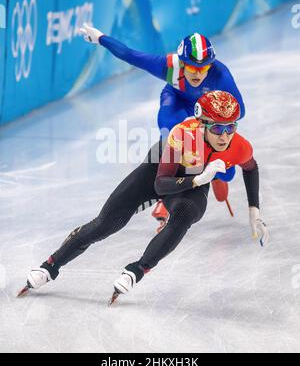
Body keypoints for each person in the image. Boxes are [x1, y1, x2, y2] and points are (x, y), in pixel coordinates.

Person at [18, 91, 268, 303]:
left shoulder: (239, 145)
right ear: (202, 125)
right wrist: (198, 179)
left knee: (186, 215)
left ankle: (136, 270)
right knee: (106, 223)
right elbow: (161, 183)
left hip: (192, 186)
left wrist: (254, 210)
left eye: (231, 127)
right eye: (217, 128)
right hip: (158, 172)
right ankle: (49, 266)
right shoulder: (182, 135)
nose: (225, 135)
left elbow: (251, 168)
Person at [80, 24, 245, 223]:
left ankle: (215, 173)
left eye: (204, 67)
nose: (198, 73)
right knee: (169, 130)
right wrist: (100, 38)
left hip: (209, 111)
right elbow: (131, 55)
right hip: (177, 99)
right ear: (182, 64)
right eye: (192, 67)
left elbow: (240, 111)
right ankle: (167, 191)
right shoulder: (169, 67)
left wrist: (207, 123)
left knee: (228, 174)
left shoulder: (220, 75)